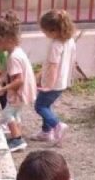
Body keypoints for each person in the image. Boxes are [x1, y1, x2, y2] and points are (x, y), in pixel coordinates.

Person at [0, 13, 36, 153]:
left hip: (19, 93)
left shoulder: (14, 57)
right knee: (15, 114)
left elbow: (19, 80)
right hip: (22, 92)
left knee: (7, 114)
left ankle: (17, 140)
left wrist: (3, 88)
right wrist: (2, 79)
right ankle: (17, 136)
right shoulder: (16, 52)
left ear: (4, 39)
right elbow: (11, 73)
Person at [32, 9, 76, 144]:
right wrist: (40, 73)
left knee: (39, 106)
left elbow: (53, 66)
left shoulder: (56, 46)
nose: (44, 33)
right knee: (46, 105)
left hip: (53, 83)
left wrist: (48, 85)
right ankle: (46, 132)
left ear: (53, 31)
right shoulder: (69, 41)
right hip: (62, 82)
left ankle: (57, 126)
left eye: (44, 31)